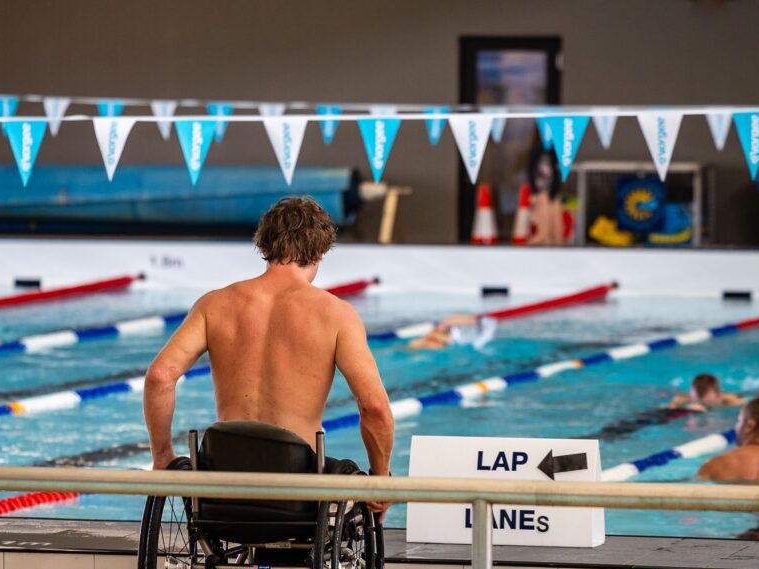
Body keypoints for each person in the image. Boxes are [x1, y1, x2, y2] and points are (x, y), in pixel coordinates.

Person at [143, 196, 394, 518]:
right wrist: (381, 477)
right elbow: (373, 408)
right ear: (320, 252)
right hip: (296, 485)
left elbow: (159, 376)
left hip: (222, 479)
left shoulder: (214, 304)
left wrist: (163, 457)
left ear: (264, 245)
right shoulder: (336, 315)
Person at [665, 373, 759, 412]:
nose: (698, 397)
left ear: (718, 394)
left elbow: (753, 404)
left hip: (733, 397)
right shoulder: (685, 398)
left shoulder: (729, 401)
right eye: (697, 394)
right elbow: (668, 409)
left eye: (704, 394)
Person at [407, 314, 497, 351]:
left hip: (484, 327)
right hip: (477, 332)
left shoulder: (450, 322)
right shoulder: (454, 340)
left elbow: (475, 320)